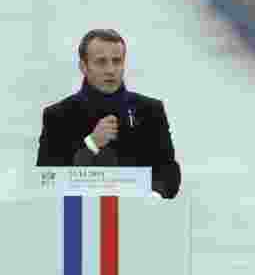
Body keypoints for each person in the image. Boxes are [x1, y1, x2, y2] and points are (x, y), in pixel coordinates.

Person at [36, 28, 180, 199]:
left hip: (139, 218)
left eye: (117, 61)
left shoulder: (150, 111)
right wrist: (91, 144)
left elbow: (169, 177)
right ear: (83, 66)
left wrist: (151, 194)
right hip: (78, 220)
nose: (111, 69)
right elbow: (46, 182)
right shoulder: (58, 116)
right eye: (101, 62)